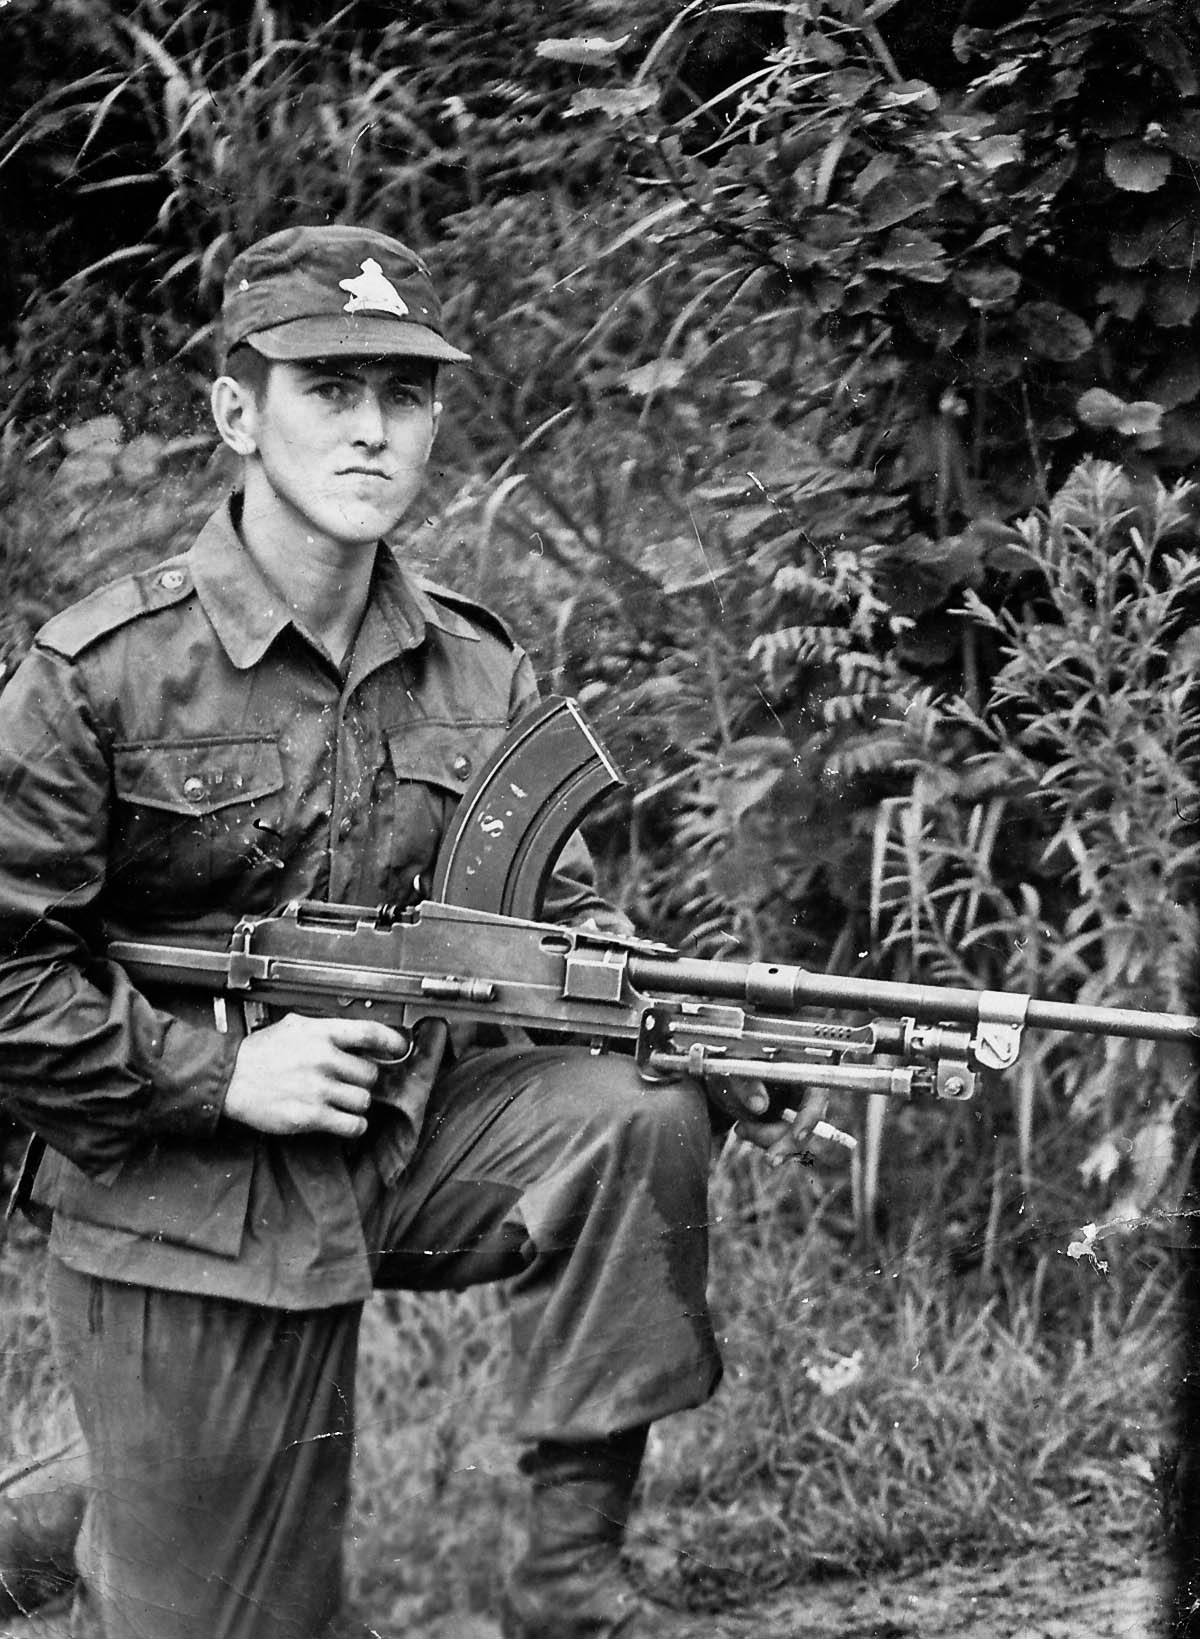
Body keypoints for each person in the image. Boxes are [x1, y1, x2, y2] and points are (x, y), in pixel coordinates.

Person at [0, 224, 826, 1639]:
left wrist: (677, 1008)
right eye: (331, 391)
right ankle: (77, 1516)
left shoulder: (476, 657)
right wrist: (221, 1078)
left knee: (641, 1108)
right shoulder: (105, 672)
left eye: (406, 394)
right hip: (181, 1179)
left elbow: (545, 915)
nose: (375, 431)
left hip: (403, 1135)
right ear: (236, 414)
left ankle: (571, 1588)